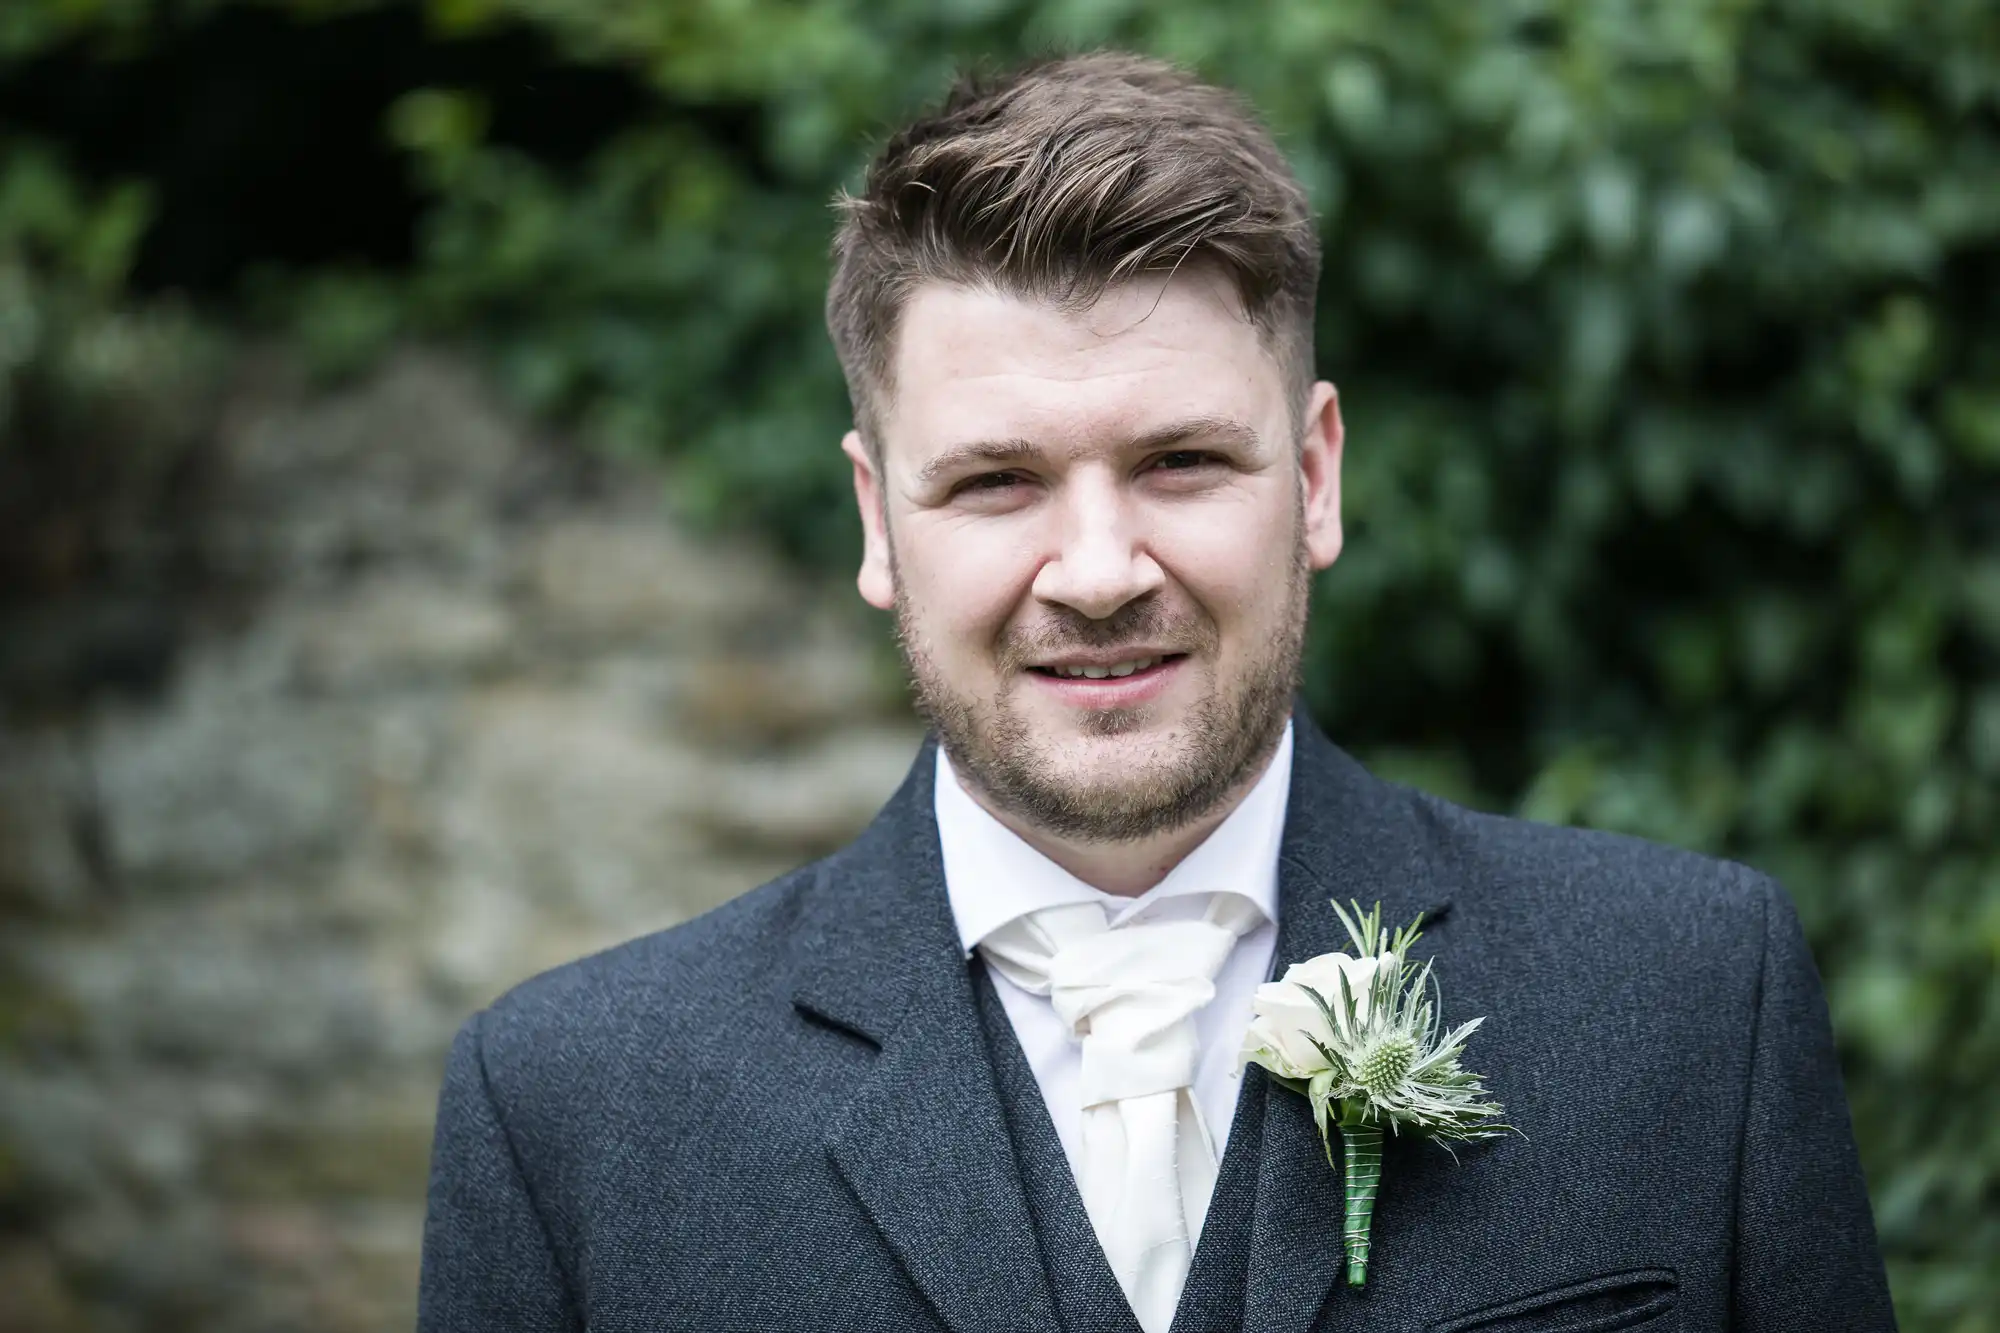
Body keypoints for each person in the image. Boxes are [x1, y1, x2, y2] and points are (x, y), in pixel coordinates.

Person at [416, 52, 1894, 1333]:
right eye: (997, 482)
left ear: (1314, 477)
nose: (1102, 570)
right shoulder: (571, 1108)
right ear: (878, 522)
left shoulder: (1695, 998)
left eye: (1182, 462)